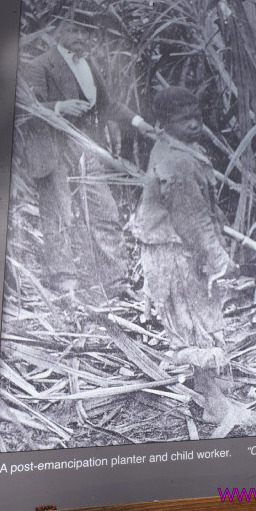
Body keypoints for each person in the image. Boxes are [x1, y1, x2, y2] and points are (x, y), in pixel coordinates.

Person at [132, 86, 255, 434]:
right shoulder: (175, 160)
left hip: (183, 249)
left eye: (197, 117)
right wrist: (218, 259)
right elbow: (192, 219)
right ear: (164, 123)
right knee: (193, 326)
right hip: (172, 252)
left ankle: (213, 391)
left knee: (202, 318)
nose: (193, 124)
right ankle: (215, 407)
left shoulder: (184, 149)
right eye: (183, 120)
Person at [18, 23, 153, 303]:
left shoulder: (88, 63)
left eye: (89, 33)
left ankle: (115, 280)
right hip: (51, 147)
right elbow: (26, 108)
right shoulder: (40, 65)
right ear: (60, 33)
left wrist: (139, 123)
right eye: (77, 32)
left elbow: (109, 104)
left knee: (104, 209)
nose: (85, 38)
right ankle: (65, 284)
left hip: (85, 146)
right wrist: (58, 107)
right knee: (58, 214)